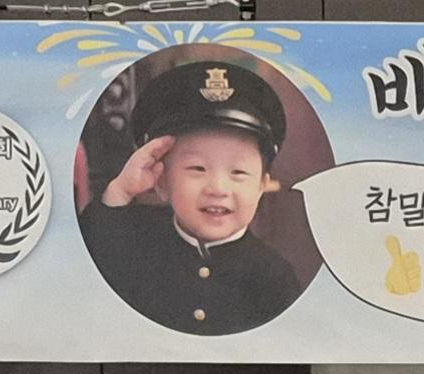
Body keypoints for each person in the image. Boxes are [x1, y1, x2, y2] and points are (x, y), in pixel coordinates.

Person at [80, 57, 299, 335]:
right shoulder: (133, 241)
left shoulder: (274, 277)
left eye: (238, 172)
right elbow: (84, 258)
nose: (218, 188)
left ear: (261, 186)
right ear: (162, 182)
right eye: (197, 168)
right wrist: (120, 190)